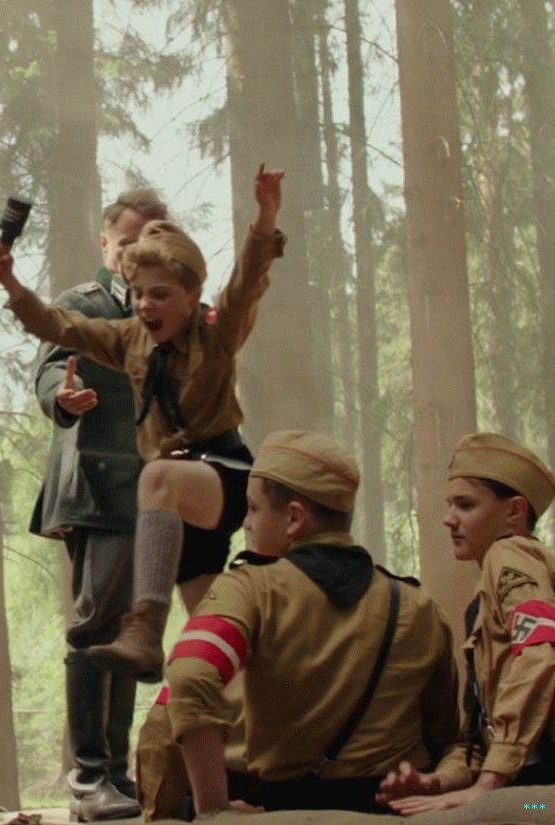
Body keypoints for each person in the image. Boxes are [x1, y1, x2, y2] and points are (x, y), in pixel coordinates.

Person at [0, 166, 286, 680]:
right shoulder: (129, 338)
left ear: (191, 295)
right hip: (173, 509)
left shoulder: (218, 331)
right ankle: (254, 705)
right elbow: (59, 326)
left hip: (222, 475)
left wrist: (266, 215)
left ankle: (145, 629)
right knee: (213, 639)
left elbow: (248, 277)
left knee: (157, 475)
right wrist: (10, 282)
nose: (146, 306)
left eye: (161, 295)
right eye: (140, 294)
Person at [165, 430, 461, 815]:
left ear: (293, 518)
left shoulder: (250, 590)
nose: (247, 524)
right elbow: (446, 737)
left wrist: (214, 810)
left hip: (280, 811)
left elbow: (190, 675)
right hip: (386, 811)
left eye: (253, 509)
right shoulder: (419, 606)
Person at [32, 189, 175, 819]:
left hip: (152, 492)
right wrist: (61, 399)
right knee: (96, 626)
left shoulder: (166, 312)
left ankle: (115, 773)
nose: (138, 252)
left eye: (152, 241)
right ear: (106, 243)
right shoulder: (84, 304)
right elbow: (48, 370)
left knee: (131, 632)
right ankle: (89, 778)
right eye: (128, 241)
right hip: (96, 487)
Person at [379, 433, 555, 814]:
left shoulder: (509, 553)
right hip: (530, 788)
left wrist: (490, 781)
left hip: (540, 798)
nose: (449, 519)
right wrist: (438, 781)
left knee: (522, 811)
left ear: (514, 513)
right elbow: (479, 731)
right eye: (450, 505)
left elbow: (540, 654)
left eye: (466, 504)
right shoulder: (485, 598)